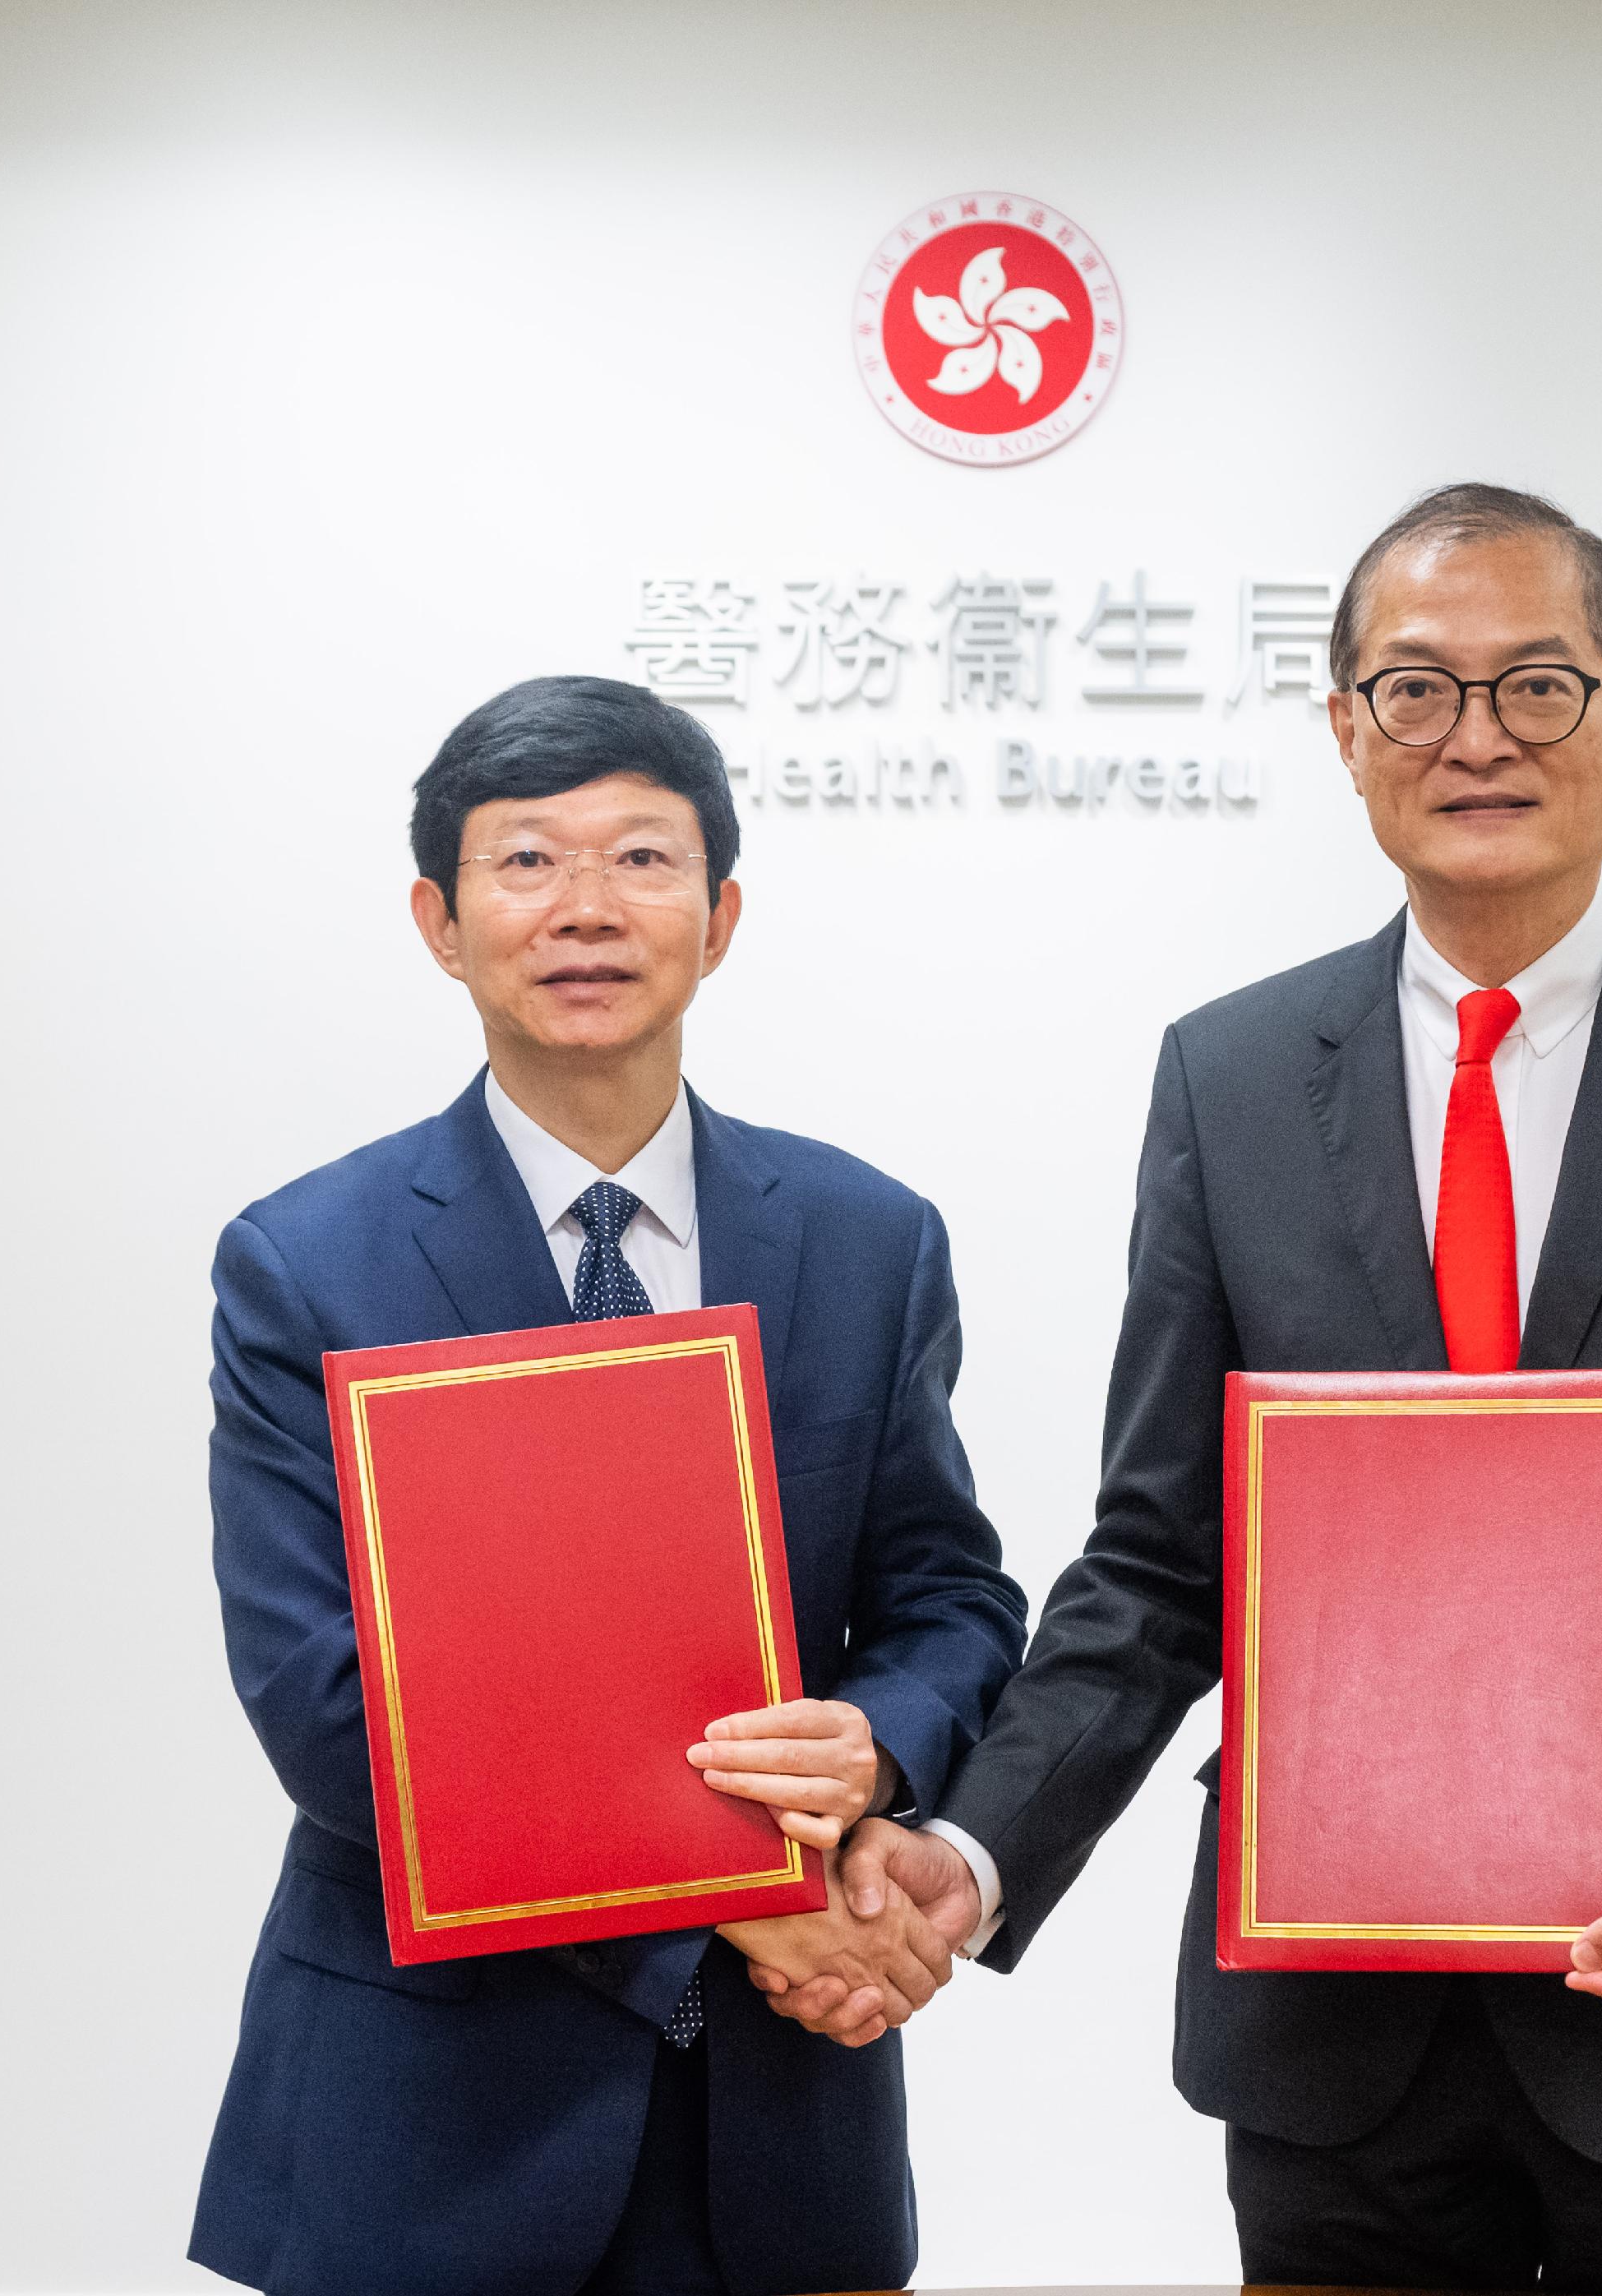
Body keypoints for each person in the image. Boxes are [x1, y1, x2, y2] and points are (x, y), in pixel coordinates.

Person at [805, 484, 1602, 2292]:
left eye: (1536, 684)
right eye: (1414, 689)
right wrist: (977, 1849)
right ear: (1342, 732)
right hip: (1332, 2038)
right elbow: (1160, 1562)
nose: (1475, 735)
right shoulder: (1227, 1079)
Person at [188, 676, 1026, 2296]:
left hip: (785, 2125)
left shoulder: (866, 1239)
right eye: (525, 862)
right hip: (429, 2115)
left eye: (641, 860)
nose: (584, 908)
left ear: (718, 916)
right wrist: (729, 1905)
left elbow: (945, 1598)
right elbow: (325, 1700)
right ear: (439, 919)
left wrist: (879, 1739)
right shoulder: (307, 1262)